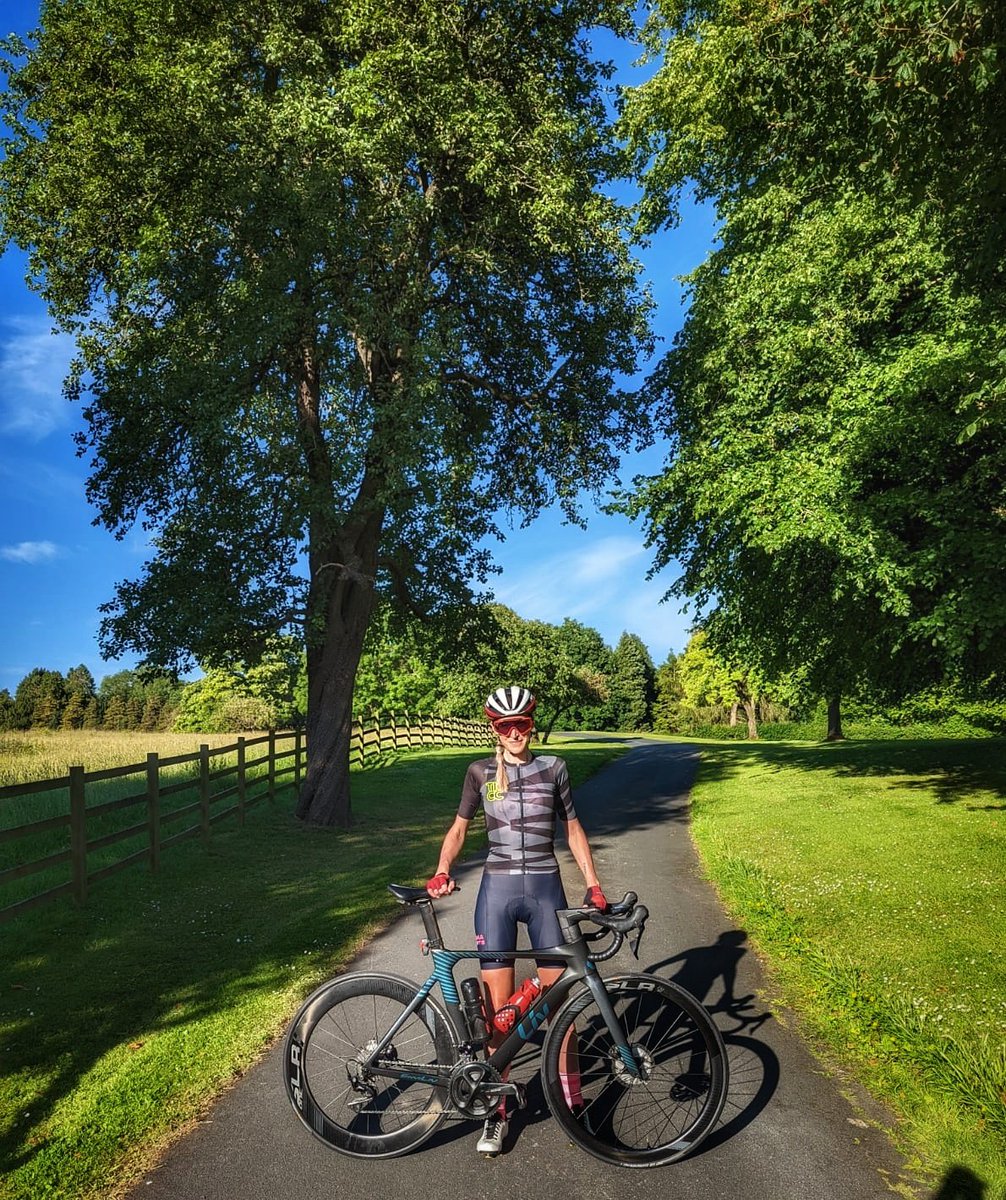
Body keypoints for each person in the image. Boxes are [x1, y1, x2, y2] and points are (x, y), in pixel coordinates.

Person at [426, 685, 607, 1157]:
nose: (514, 733)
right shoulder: (480, 772)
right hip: (497, 894)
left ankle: (571, 1100)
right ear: (493, 728)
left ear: (531, 723)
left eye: (521, 724)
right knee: (496, 1010)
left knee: (564, 1002)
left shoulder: (555, 769)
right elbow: (460, 827)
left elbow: (572, 829)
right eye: (504, 726)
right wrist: (443, 868)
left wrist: (593, 883)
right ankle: (495, 1111)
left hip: (546, 890)